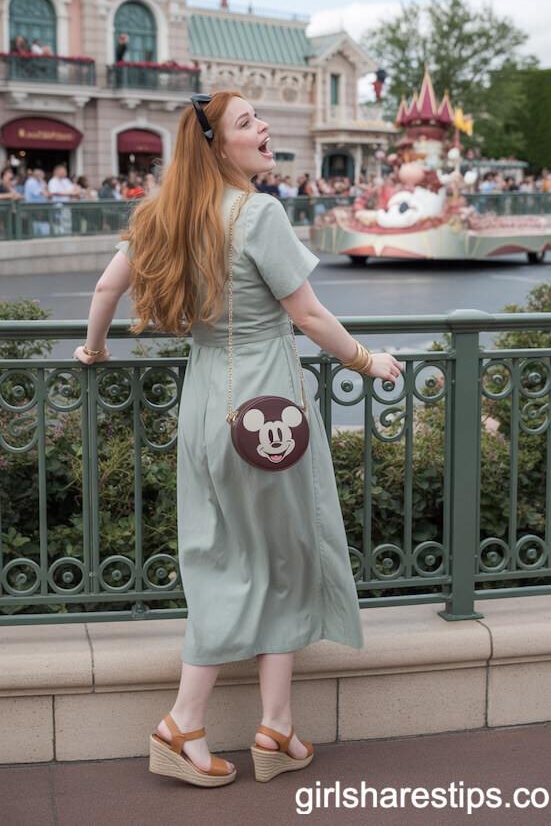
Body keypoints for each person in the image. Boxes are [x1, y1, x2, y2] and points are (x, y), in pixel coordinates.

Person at [74, 91, 400, 789]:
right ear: (220, 146)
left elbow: (105, 290)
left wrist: (95, 351)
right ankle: (223, 723)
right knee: (280, 555)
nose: (264, 128)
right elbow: (308, 315)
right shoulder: (258, 213)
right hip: (266, 409)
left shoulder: (164, 214)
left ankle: (244, 728)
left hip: (204, 406)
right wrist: (368, 361)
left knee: (222, 555)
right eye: (248, 122)